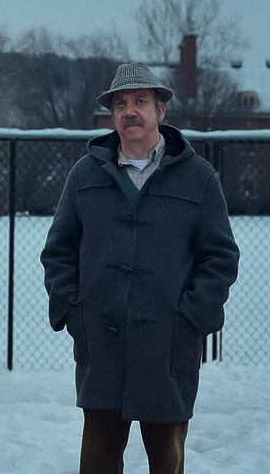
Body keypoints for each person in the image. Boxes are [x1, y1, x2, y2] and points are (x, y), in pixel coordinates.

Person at [40, 62, 239, 474]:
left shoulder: (198, 178)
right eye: (121, 104)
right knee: (97, 462)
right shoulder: (85, 175)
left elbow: (220, 258)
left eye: (140, 102)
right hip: (102, 346)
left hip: (167, 350)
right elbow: (59, 252)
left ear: (160, 112)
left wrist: (190, 319)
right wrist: (75, 313)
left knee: (167, 460)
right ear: (112, 115)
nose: (130, 111)